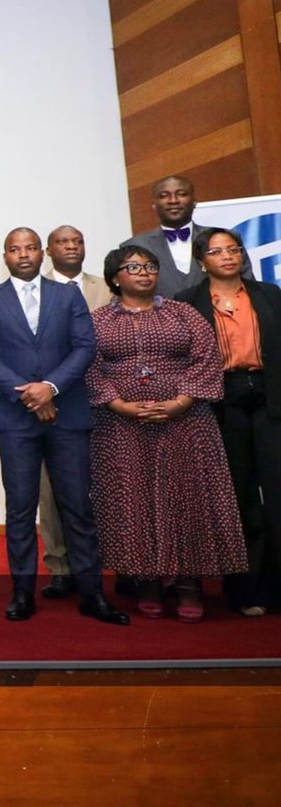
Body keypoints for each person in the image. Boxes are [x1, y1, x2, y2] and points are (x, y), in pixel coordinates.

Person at [0, 227, 128, 625]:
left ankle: (92, 594)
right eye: (13, 249)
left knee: (78, 507)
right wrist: (27, 394)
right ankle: (22, 593)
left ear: (43, 254)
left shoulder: (67, 295)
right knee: (21, 511)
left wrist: (51, 388)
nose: (23, 255)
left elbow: (84, 347)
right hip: (15, 420)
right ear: (4, 256)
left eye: (30, 248)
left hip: (68, 416)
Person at [86, 245, 247, 621]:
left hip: (186, 422)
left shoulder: (183, 313)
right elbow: (88, 367)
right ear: (115, 278)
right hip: (120, 426)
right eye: (134, 267)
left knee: (186, 495)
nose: (144, 273)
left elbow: (207, 358)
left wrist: (179, 403)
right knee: (133, 500)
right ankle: (148, 580)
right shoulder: (96, 322)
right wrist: (119, 404)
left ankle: (189, 583)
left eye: (150, 266)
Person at [178, 229, 281, 615]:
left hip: (271, 395)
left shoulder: (269, 294)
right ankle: (246, 590)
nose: (227, 256)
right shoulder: (187, 303)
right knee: (238, 498)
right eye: (217, 251)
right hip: (221, 400)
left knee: (277, 492)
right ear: (201, 260)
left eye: (233, 249)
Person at [35, 225, 112, 599]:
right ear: (48, 250)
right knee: (52, 492)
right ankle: (60, 567)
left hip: (108, 401)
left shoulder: (107, 287)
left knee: (109, 485)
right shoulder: (35, 290)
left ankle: (114, 564)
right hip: (56, 402)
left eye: (77, 241)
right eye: (63, 242)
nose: (71, 247)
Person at [119, 175, 250, 299]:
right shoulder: (134, 246)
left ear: (194, 201)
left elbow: (248, 285)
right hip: (159, 321)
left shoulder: (224, 239)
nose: (173, 201)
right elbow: (129, 296)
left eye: (181, 194)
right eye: (164, 196)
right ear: (153, 204)